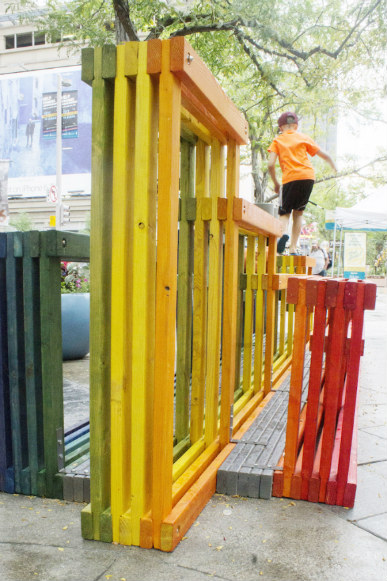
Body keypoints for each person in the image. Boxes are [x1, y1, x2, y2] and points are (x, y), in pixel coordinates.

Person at [268, 112, 337, 254]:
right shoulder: (303, 137)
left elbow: (270, 164)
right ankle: (293, 248)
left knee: (285, 213)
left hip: (290, 178)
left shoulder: (278, 141)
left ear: (280, 127)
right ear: (296, 126)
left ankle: (281, 238)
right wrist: (333, 166)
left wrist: (275, 183)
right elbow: (324, 154)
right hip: (307, 177)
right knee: (298, 213)